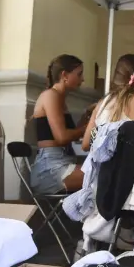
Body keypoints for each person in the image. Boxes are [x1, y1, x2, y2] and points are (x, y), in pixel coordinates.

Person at [81, 54, 134, 151]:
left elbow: (86, 144)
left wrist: (103, 134)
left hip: (103, 165)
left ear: (116, 76)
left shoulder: (102, 103)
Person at [31, 54, 88, 194]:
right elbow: (62, 137)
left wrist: (88, 115)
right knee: (102, 176)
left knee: (105, 174)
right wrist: (87, 128)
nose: (82, 79)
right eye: (79, 74)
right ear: (64, 75)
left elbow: (72, 135)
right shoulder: (51, 95)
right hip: (50, 169)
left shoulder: (60, 98)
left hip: (63, 162)